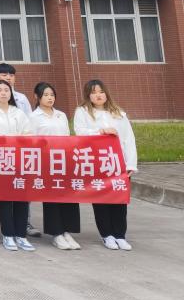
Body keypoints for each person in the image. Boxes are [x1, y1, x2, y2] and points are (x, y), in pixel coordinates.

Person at [73, 79, 137, 250]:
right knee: (101, 200)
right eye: (94, 92)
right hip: (97, 162)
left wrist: (131, 164)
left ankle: (120, 235)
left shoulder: (118, 113)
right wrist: (100, 131)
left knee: (119, 200)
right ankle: (107, 235)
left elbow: (128, 139)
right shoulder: (82, 112)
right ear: (88, 95)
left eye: (101, 91)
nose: (98, 95)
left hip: (118, 163)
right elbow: (80, 133)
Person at [0, 79, 35, 251]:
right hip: (1, 161)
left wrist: (18, 142)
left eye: (6, 90)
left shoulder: (19, 113)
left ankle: (21, 235)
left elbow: (28, 134)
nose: (3, 93)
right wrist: (0, 142)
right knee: (6, 199)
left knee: (22, 199)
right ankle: (8, 235)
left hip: (20, 161)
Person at [30, 82, 80, 251]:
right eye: (45, 95)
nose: (50, 98)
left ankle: (67, 231)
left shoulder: (61, 115)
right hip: (46, 162)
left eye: (52, 95)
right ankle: (56, 233)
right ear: (37, 97)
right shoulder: (33, 117)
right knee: (52, 198)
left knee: (68, 197)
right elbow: (31, 141)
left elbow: (67, 136)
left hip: (64, 161)